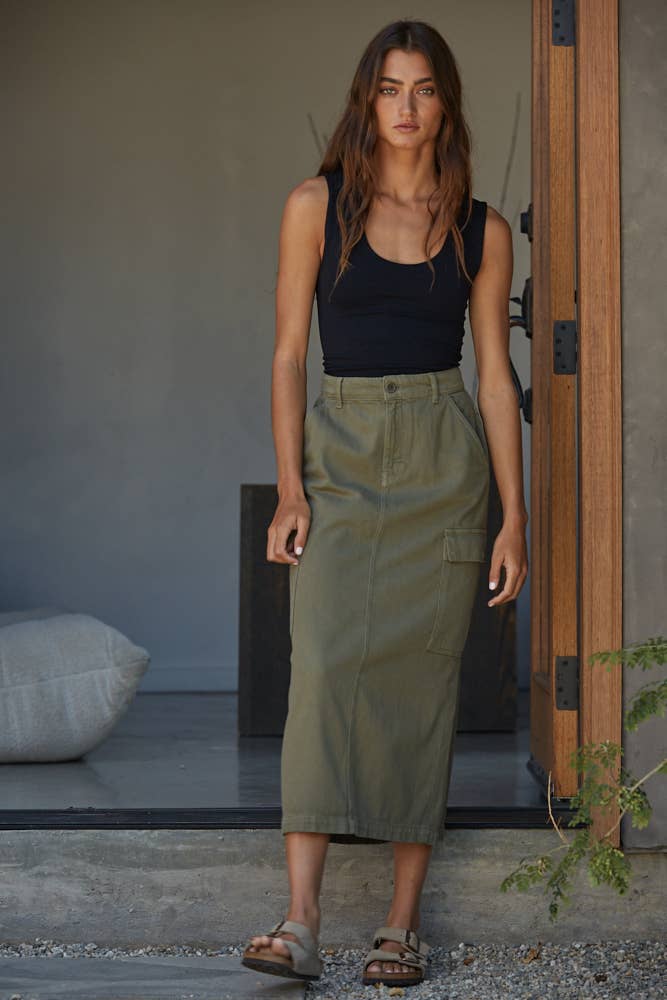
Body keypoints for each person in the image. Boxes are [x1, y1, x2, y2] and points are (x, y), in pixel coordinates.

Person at [242, 17, 528, 989]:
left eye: (425, 90)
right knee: (321, 668)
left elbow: (494, 378)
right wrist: (291, 486)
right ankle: (301, 917)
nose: (405, 108)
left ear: (447, 104)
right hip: (344, 451)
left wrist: (513, 518)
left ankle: (402, 923)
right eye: (389, 90)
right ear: (367, 100)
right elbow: (288, 355)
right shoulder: (312, 206)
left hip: (445, 457)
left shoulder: (480, 227)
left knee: (422, 678)